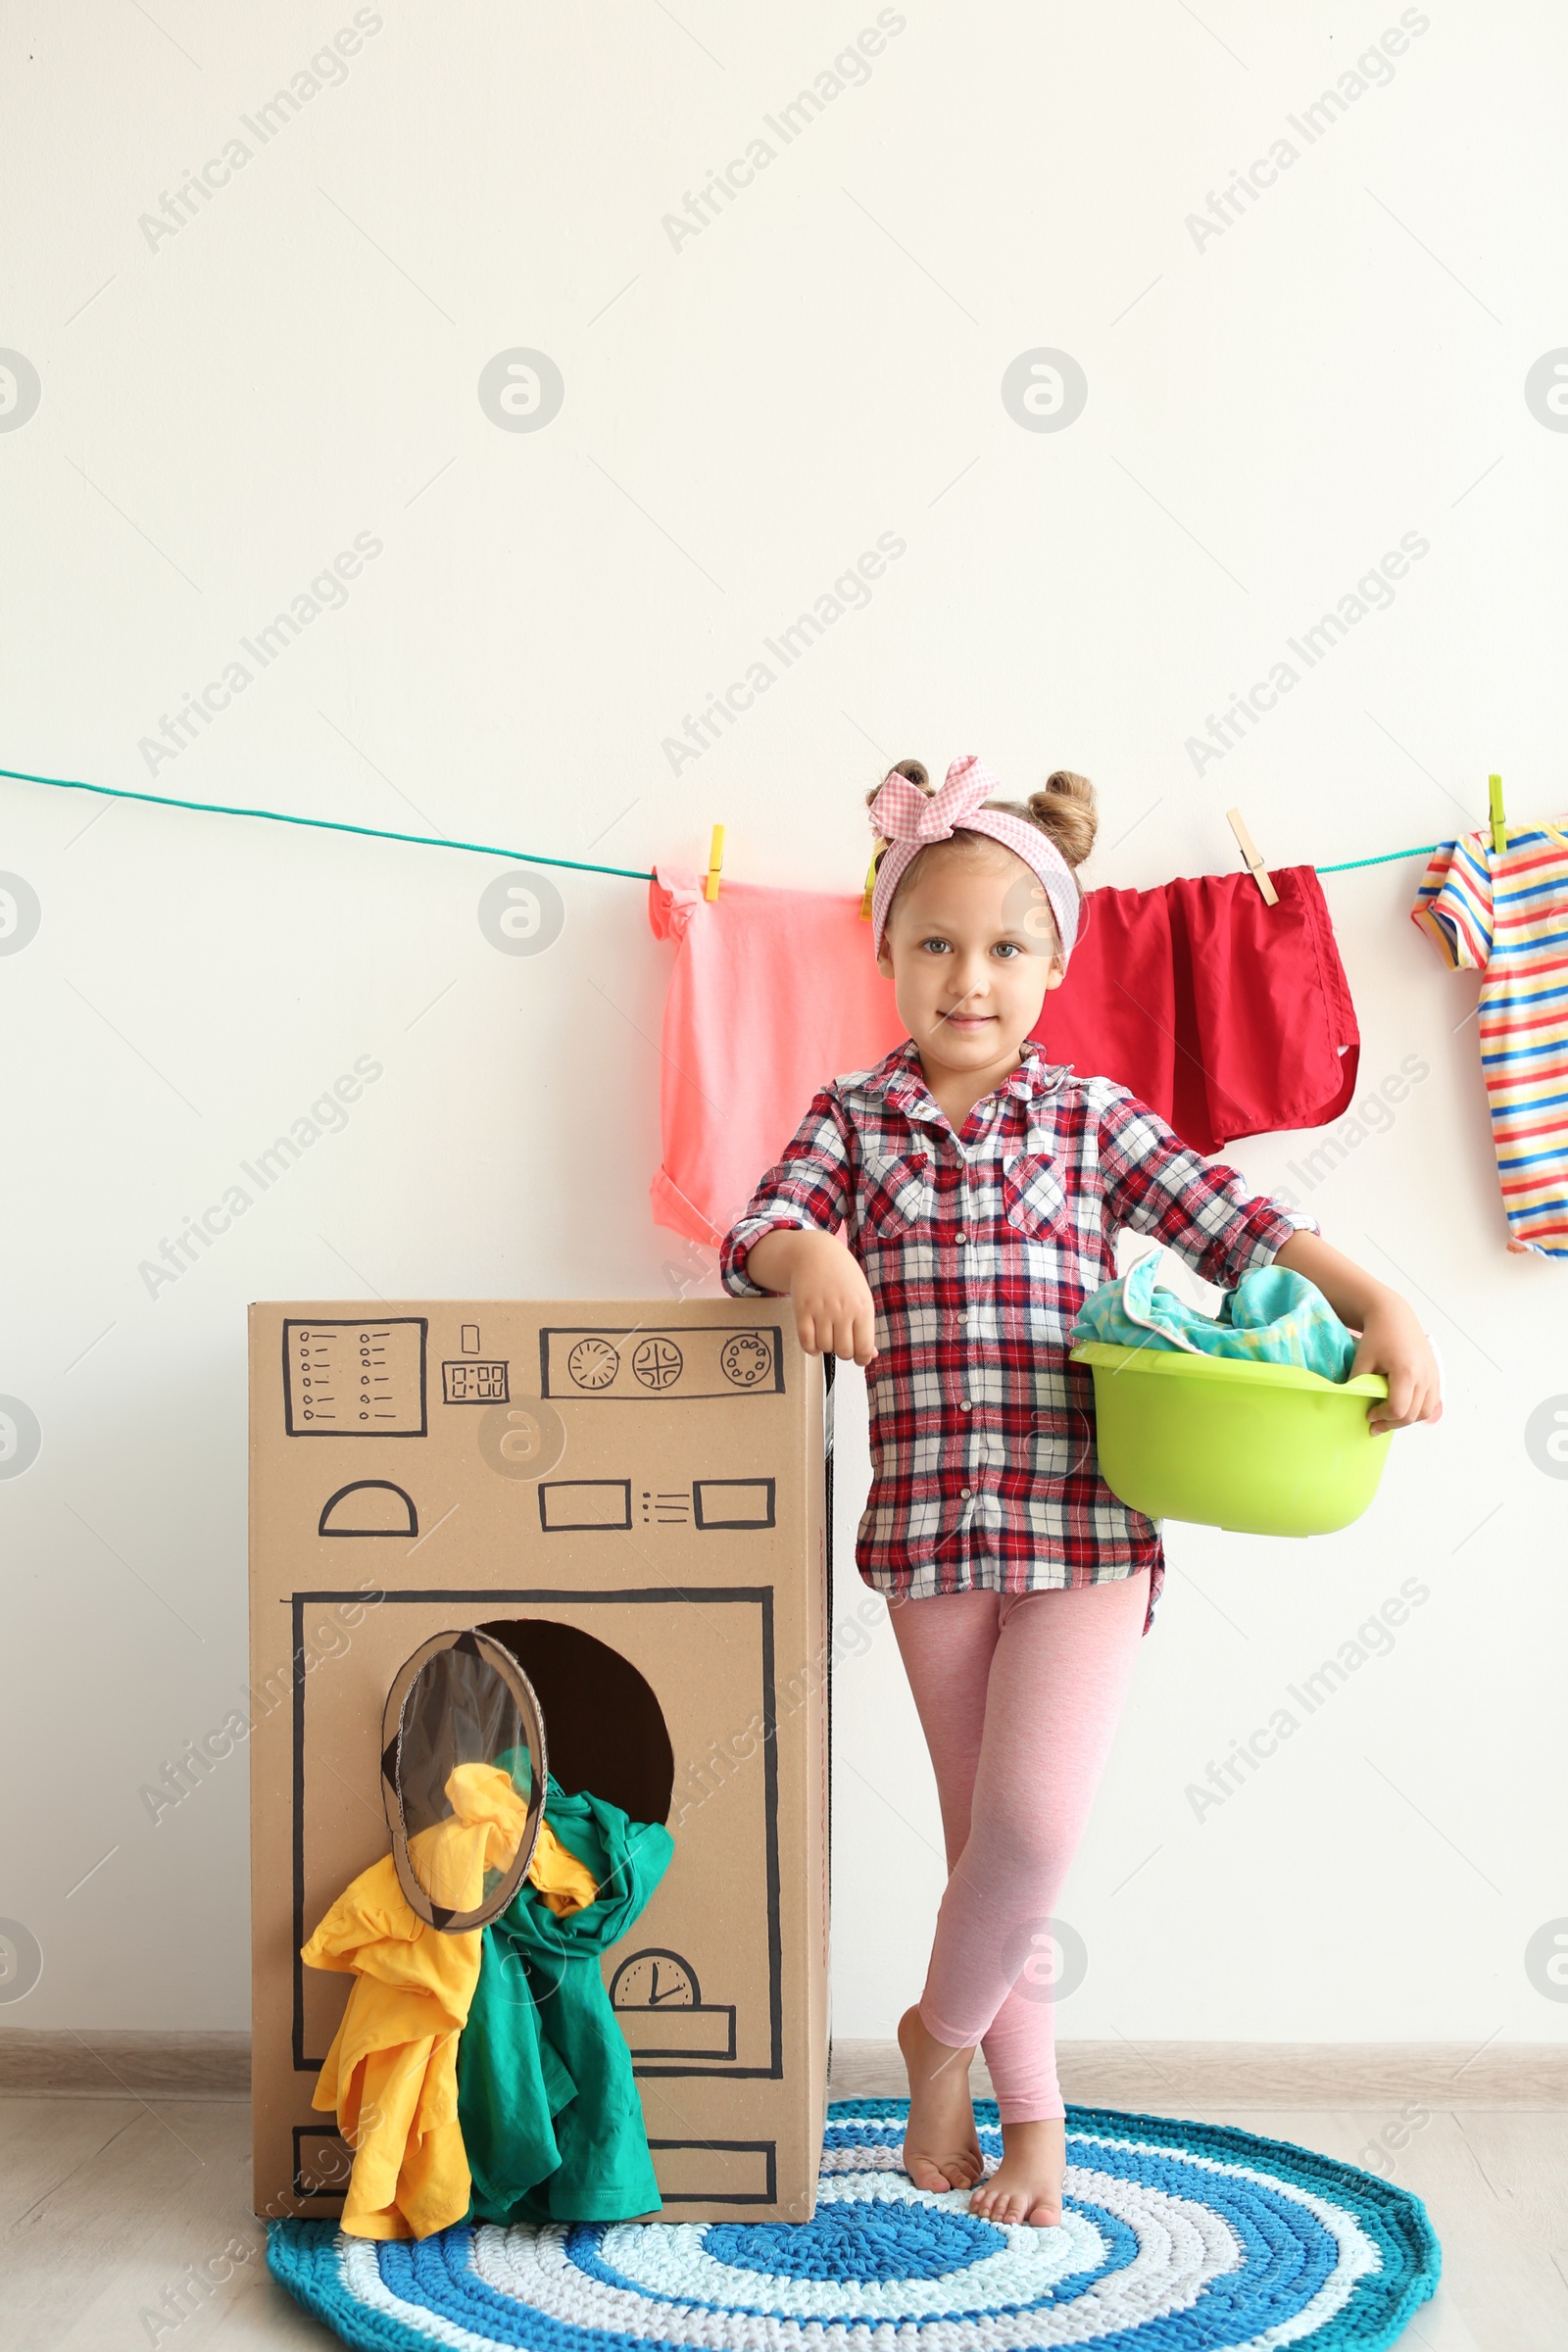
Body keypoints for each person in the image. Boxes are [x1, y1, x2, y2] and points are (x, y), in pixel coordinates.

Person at [719, 754, 1442, 2228]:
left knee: (1033, 1829)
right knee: (990, 1844)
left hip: (1089, 1532)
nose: (965, 977)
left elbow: (1243, 1223)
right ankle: (1031, 2123)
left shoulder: (1094, 1121)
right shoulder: (851, 1123)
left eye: (1001, 947)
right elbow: (759, 1231)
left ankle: (936, 2039)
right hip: (929, 1542)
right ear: (886, 953)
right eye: (932, 943)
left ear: (1052, 962)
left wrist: (1386, 1301)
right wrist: (816, 1258)